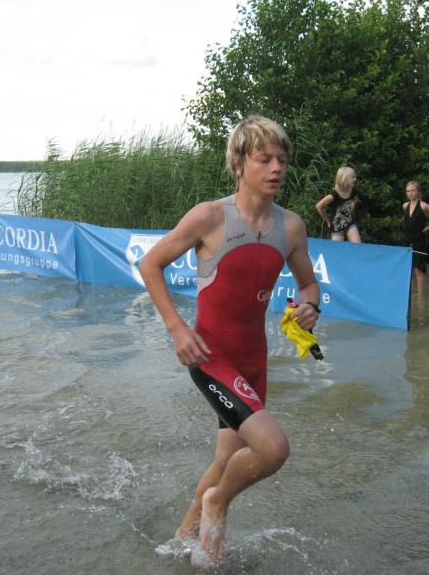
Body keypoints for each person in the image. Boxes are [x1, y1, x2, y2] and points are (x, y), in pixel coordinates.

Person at [139, 115, 320, 569]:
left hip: (253, 362)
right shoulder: (210, 216)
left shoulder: (291, 227)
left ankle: (182, 541)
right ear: (239, 165)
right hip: (211, 357)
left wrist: (310, 307)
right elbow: (150, 265)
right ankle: (217, 503)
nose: (276, 168)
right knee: (272, 448)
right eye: (264, 159)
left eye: (282, 160)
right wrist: (178, 329)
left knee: (227, 459)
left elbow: (308, 285)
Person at [402, 180, 429, 296]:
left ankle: (420, 297)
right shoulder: (405, 206)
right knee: (409, 270)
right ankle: (411, 296)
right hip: (407, 241)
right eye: (408, 191)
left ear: (418, 192)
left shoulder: (423, 205)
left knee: (418, 270)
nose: (410, 193)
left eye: (413, 190)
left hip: (419, 241)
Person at [315, 166, 361, 242]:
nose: (355, 179)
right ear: (344, 178)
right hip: (336, 226)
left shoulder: (353, 191)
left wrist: (352, 207)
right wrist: (326, 220)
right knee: (337, 248)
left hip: (350, 222)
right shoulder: (333, 195)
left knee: (358, 245)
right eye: (352, 177)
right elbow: (318, 206)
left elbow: (355, 199)